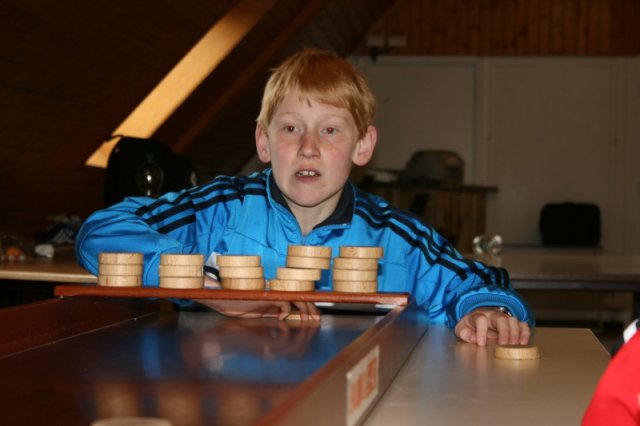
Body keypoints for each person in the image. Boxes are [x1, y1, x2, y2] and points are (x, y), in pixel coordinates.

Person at [76, 48, 533, 346]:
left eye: (330, 130)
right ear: (264, 142)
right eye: (291, 128)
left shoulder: (398, 236)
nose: (308, 147)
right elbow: (101, 229)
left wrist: (487, 311)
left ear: (363, 146)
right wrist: (203, 286)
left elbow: (475, 282)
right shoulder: (220, 208)